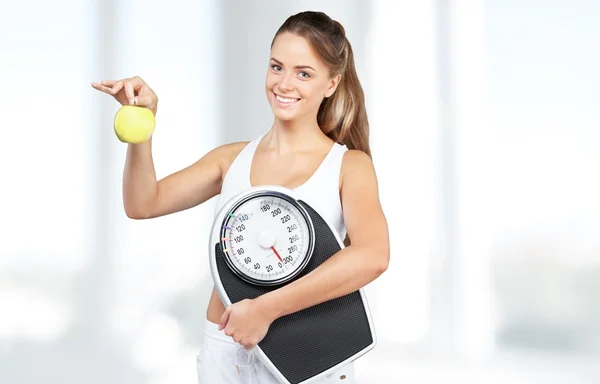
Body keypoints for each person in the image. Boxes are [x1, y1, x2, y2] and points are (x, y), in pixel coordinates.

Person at [92, 10, 389, 384]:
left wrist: (266, 309)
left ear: (331, 83)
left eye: (304, 73)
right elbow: (142, 203)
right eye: (277, 67)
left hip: (309, 358)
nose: (284, 83)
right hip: (227, 354)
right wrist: (142, 125)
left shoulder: (348, 166)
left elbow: (373, 256)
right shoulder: (230, 159)